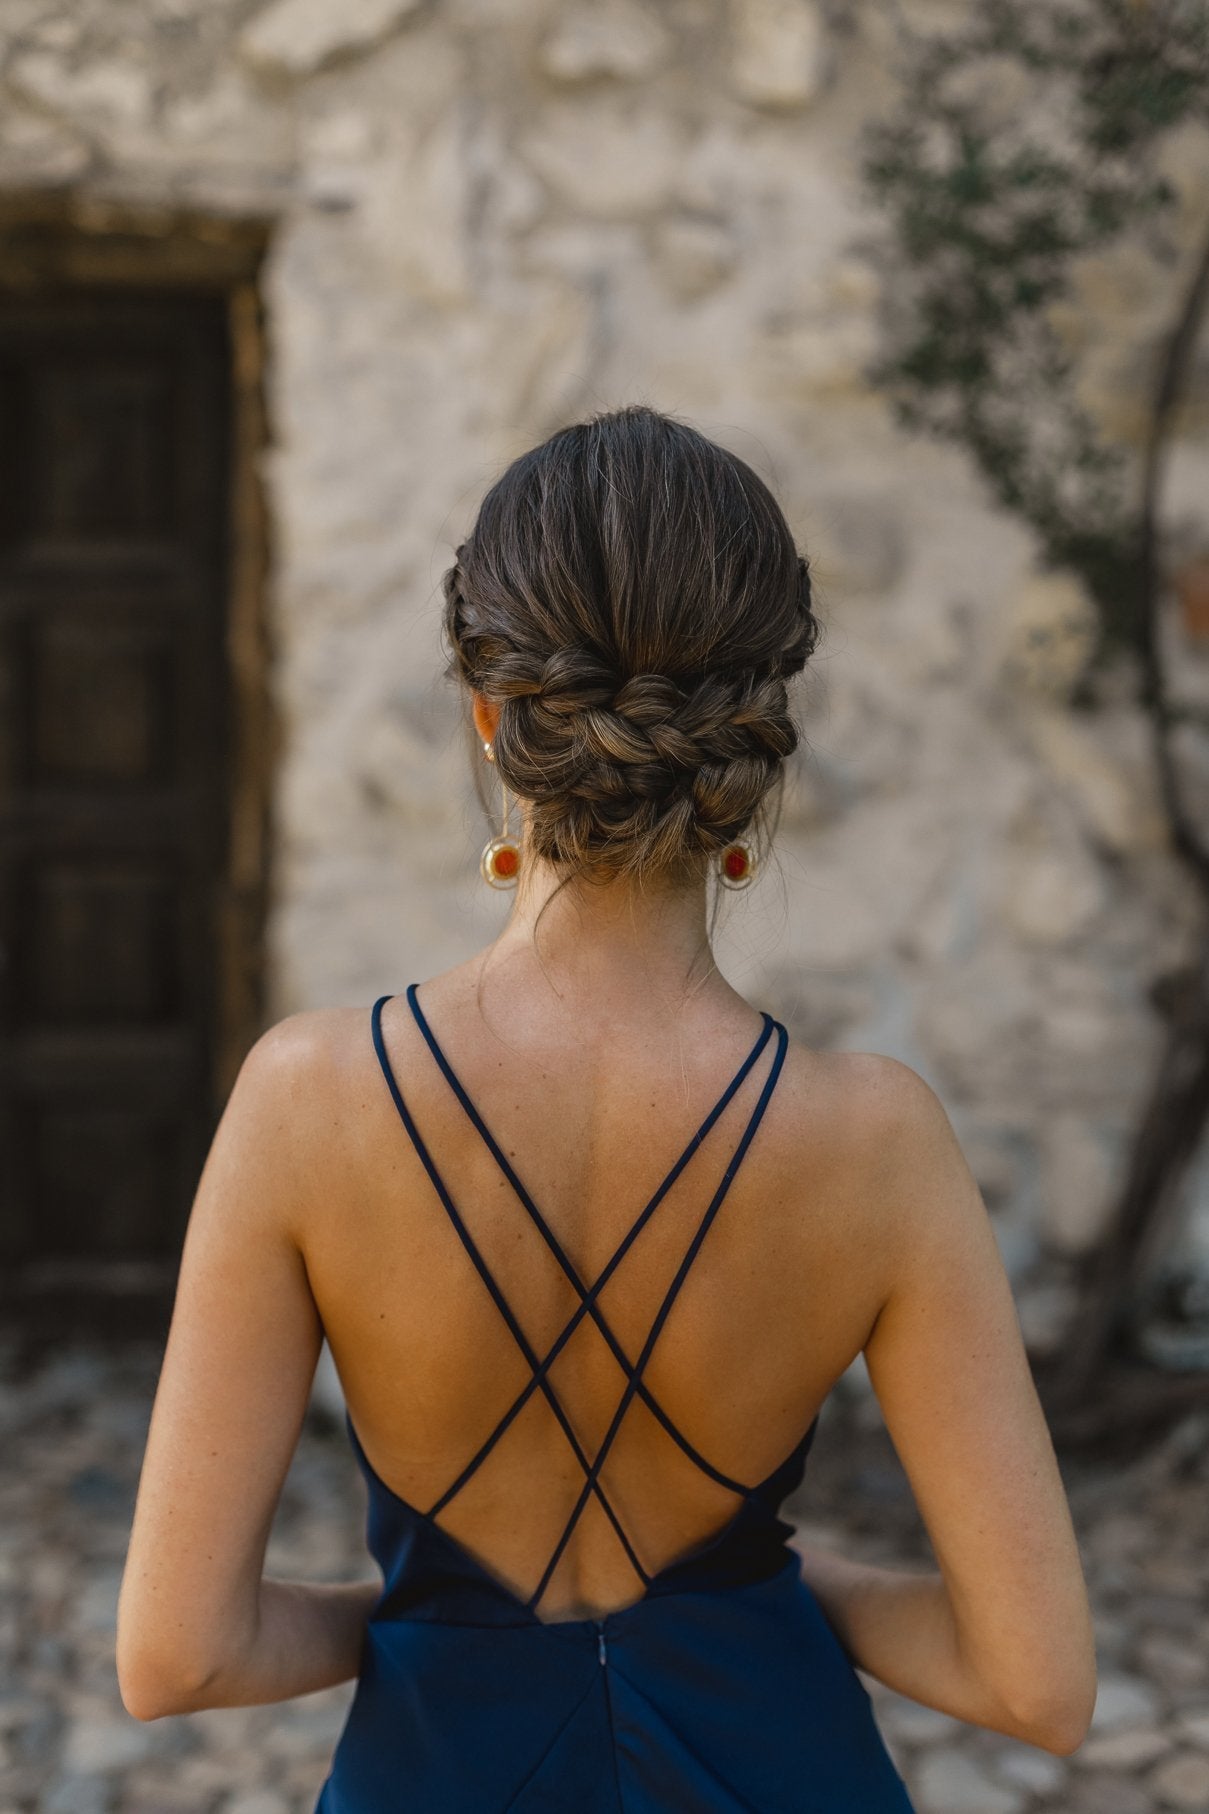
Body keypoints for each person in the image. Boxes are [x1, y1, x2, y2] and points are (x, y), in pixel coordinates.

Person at [117, 404, 1097, 1810]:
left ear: (488, 714)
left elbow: (176, 1659)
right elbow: (1032, 1683)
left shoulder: (306, 1099)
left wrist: (419, 1620)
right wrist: (767, 1581)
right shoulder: (875, 1140)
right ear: (758, 736)